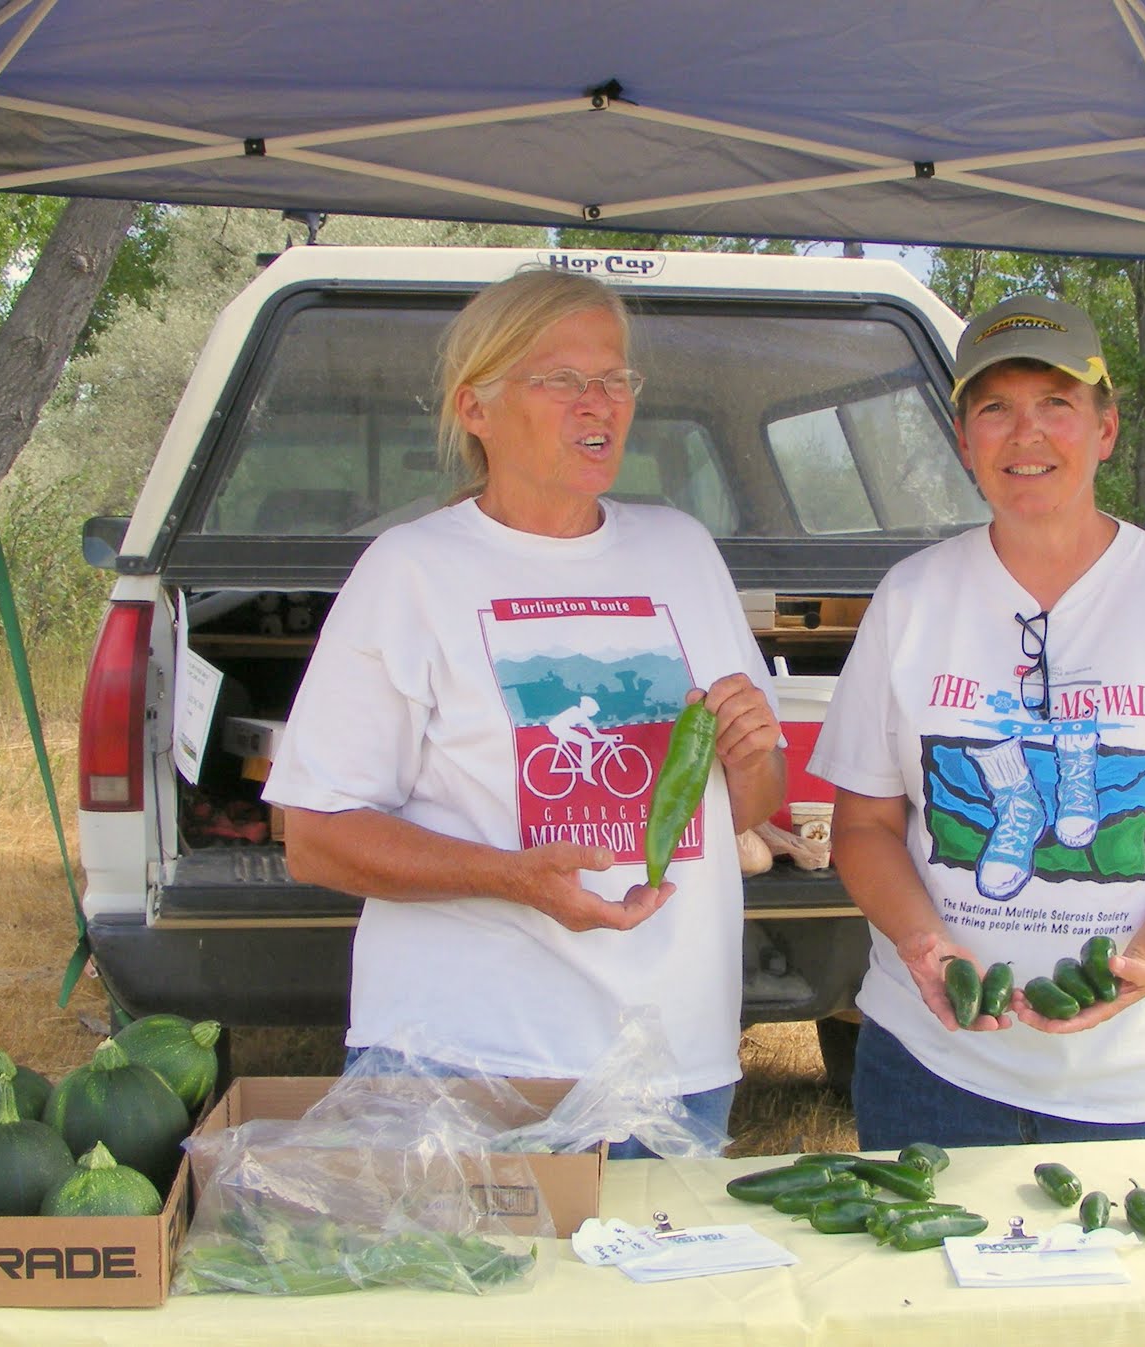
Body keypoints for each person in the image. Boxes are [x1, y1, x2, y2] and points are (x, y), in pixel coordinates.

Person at [262, 266, 785, 1155]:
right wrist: (513, 876)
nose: (601, 404)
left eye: (616, 379)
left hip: (674, 1066)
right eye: (562, 380)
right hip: (469, 1064)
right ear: (476, 408)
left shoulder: (682, 550)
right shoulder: (413, 570)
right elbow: (313, 834)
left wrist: (748, 751)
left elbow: (755, 802)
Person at [808, 293, 1145, 1148]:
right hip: (934, 1066)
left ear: (1105, 429)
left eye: (1056, 404)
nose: (1024, 434)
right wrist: (926, 947)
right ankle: (1023, 801)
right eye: (994, 408)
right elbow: (865, 825)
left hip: (1140, 1080)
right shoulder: (911, 599)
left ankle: (1063, 778)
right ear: (964, 441)